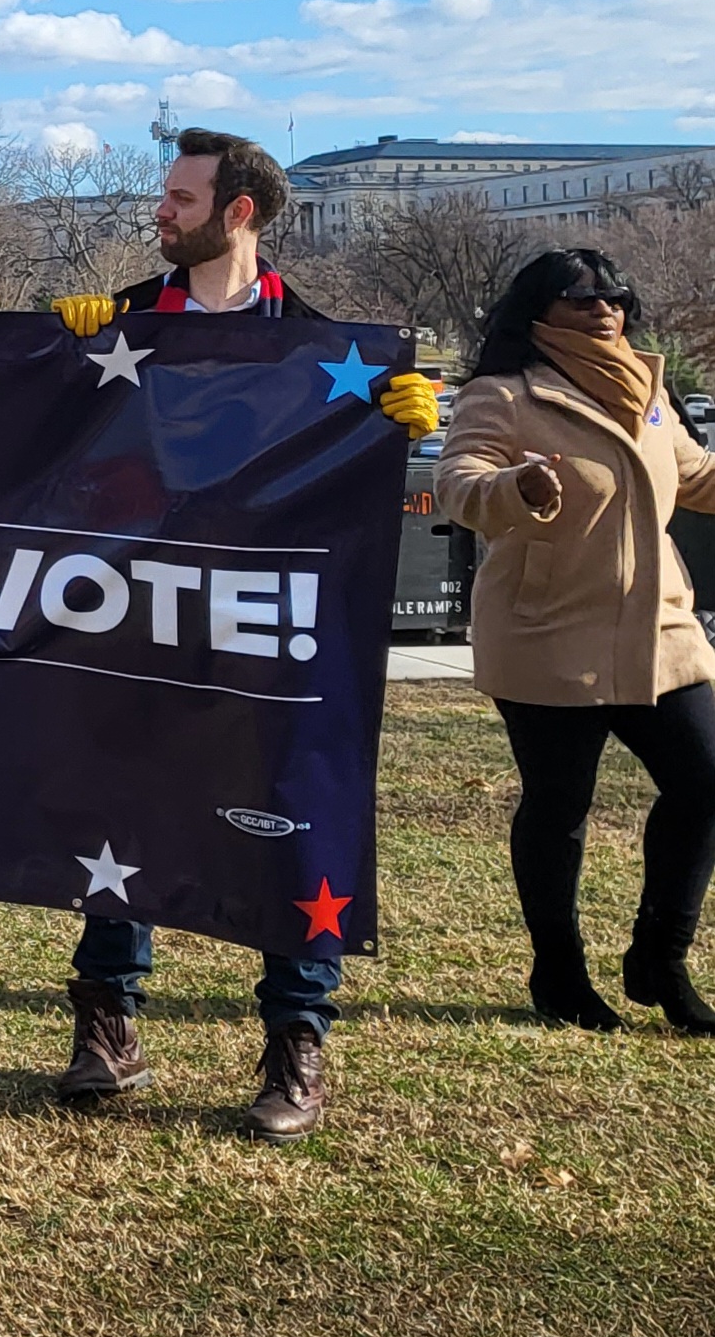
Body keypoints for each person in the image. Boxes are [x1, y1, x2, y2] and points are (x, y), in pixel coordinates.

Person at [46, 127, 439, 1139]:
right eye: (162, 195)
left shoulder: (317, 346)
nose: (158, 211)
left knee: (289, 811)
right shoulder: (121, 324)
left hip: (267, 632)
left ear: (239, 210)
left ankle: (295, 1041)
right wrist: (49, 357)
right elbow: (37, 450)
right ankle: (105, 1025)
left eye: (178, 197)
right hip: (134, 621)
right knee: (118, 809)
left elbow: (341, 488)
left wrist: (401, 420)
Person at [437, 248, 715, 1034]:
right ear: (537, 313)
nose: (604, 309)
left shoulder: (649, 391)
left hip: (660, 628)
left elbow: (694, 479)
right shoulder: (504, 394)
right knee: (560, 806)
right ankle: (558, 973)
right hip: (547, 631)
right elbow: (459, 484)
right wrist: (513, 488)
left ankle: (660, 958)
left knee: (706, 783)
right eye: (579, 296)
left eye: (616, 295)